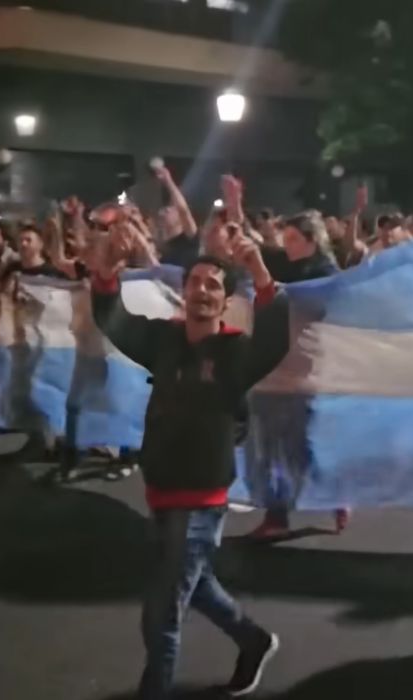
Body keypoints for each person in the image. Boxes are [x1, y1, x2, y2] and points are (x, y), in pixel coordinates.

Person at [91, 225, 289, 698]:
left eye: (213, 285)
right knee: (194, 586)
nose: (201, 290)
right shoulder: (163, 340)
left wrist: (261, 273)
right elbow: (112, 320)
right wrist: (103, 277)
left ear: (224, 301)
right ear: (182, 294)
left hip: (201, 499)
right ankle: (253, 640)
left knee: (161, 614)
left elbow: (275, 340)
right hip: (159, 489)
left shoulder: (237, 352)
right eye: (195, 283)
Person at [250, 211, 346, 539]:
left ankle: (335, 492)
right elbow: (258, 257)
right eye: (285, 238)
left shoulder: (326, 272)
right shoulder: (285, 263)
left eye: (293, 239)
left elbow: (309, 304)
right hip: (270, 368)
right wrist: (235, 205)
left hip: (304, 371)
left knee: (298, 448)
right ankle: (276, 516)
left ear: (310, 240)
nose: (286, 245)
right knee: (267, 447)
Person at [155, 166, 199, 268]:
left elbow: (183, 210)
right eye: (166, 207)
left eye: (171, 207)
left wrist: (168, 181)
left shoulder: (190, 239)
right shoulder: (162, 247)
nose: (166, 209)